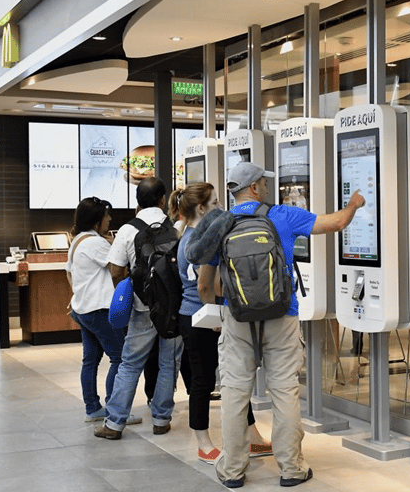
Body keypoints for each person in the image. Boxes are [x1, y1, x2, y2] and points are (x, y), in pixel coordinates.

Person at [196, 162, 364, 489]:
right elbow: (337, 222)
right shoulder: (283, 216)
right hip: (282, 314)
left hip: (237, 318)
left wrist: (222, 312)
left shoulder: (221, 223)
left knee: (234, 392)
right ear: (254, 188)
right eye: (263, 182)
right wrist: (354, 204)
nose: (267, 187)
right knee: (284, 390)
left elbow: (205, 284)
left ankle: (232, 469)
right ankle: (291, 468)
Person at [168, 182, 271, 463]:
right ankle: (203, 442)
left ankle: (252, 436)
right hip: (202, 318)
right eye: (214, 203)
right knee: (203, 381)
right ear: (201, 208)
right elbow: (205, 285)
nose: (220, 207)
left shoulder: (190, 235)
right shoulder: (197, 240)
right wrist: (215, 313)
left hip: (202, 315)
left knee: (233, 377)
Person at [95, 177, 184, 440]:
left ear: (137, 201)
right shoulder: (177, 227)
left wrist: (131, 291)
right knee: (169, 363)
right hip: (173, 307)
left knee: (130, 364)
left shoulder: (127, 230)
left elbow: (115, 270)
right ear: (162, 200)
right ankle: (161, 419)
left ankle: (114, 424)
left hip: (143, 307)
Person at [67, 196, 131, 422]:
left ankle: (93, 408)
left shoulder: (77, 240)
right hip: (99, 309)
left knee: (90, 360)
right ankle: (115, 410)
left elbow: (69, 273)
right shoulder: (96, 243)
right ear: (96, 220)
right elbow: (119, 268)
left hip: (83, 308)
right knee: (119, 358)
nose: (110, 219)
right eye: (106, 216)